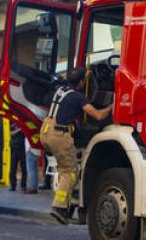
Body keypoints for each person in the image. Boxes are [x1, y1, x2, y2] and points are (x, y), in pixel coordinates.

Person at [39, 68, 111, 224]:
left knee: (65, 166)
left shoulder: (60, 89)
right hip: (59, 135)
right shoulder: (78, 97)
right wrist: (113, 105)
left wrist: (84, 75)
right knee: (69, 172)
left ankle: (68, 205)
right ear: (80, 83)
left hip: (45, 132)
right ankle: (59, 208)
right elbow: (98, 115)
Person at [8, 127, 26, 192]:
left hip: (23, 148)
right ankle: (13, 185)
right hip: (14, 148)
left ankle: (23, 185)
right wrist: (19, 130)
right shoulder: (12, 122)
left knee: (24, 168)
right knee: (13, 168)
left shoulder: (24, 122)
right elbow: (10, 133)